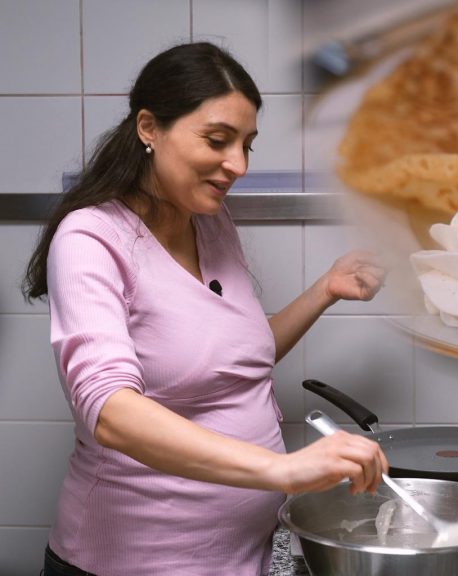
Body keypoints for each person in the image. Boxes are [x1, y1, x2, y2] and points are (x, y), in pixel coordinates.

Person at [22, 42, 389, 576]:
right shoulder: (91, 238)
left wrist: (325, 289)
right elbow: (109, 409)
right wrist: (281, 470)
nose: (237, 165)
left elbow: (233, 356)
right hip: (134, 563)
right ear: (149, 127)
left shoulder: (210, 221)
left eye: (247, 145)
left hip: (243, 557)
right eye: (218, 140)